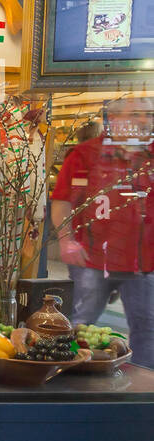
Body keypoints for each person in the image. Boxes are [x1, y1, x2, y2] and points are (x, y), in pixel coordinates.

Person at [49, 96, 154, 368]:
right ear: (115, 119)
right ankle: (67, 370)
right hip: (93, 259)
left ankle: (141, 388)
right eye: (136, 114)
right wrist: (66, 240)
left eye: (148, 115)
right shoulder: (85, 154)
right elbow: (62, 200)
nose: (144, 121)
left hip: (144, 261)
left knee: (147, 327)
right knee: (80, 323)